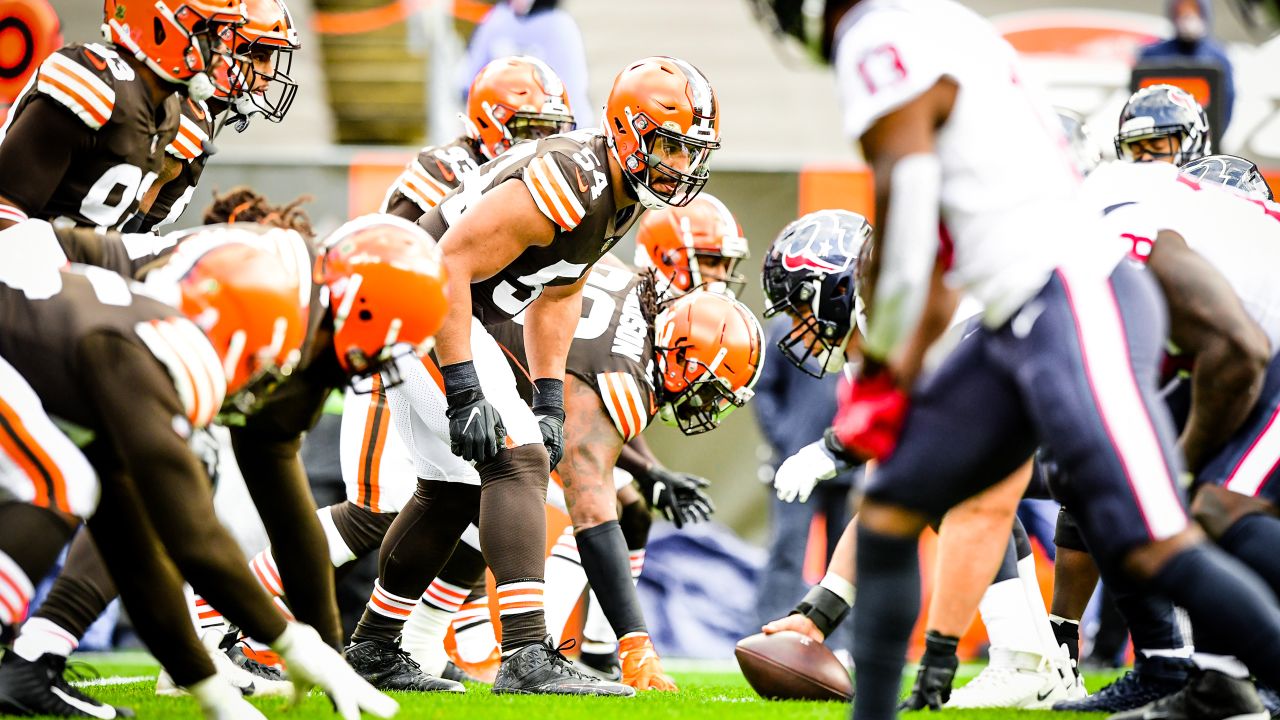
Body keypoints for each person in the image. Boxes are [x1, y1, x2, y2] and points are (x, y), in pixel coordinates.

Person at [755, 5, 1280, 720]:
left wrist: (881, 374)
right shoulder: (945, 25)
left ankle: (1210, 679)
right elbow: (937, 244)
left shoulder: (876, 35)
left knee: (1161, 541)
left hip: (1072, 290)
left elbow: (907, 209)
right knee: (889, 507)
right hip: (1022, 304)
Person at [342, 55, 719, 697]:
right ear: (628, 131)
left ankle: (374, 648)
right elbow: (448, 264)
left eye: (691, 152)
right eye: (668, 147)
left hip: (439, 309)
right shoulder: (574, 175)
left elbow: (560, 292)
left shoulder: (620, 193)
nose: (680, 166)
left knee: (452, 485)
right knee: (514, 460)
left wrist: (547, 396)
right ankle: (524, 657)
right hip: (417, 301)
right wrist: (463, 387)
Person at [0, 234, 397, 720]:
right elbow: (194, 540)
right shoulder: (151, 350)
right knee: (60, 483)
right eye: (263, 365)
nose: (262, 384)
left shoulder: (131, 333)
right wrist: (292, 640)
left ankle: (41, 653)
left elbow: (136, 553)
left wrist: (210, 691)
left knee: (91, 491)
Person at [0, 0, 243, 235]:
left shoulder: (167, 110)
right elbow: (6, 208)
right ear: (160, 28)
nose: (221, 51)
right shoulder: (94, 83)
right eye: (207, 33)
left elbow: (113, 237)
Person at [384, 54, 574, 221]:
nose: (544, 146)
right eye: (531, 131)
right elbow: (397, 246)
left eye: (554, 132)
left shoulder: (550, 182)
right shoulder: (446, 171)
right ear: (487, 121)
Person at [461, 0, 590, 128]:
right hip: (501, 119)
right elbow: (469, 78)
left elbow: (571, 91)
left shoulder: (558, 26)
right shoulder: (497, 20)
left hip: (547, 123)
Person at [1136, 0, 1234, 133]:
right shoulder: (1152, 56)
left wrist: (1213, 136)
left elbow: (1226, 105)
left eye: (1193, 9)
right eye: (1182, 10)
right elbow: (1138, 104)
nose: (1188, 16)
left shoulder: (1219, 58)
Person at [1114, 84, 1211, 166]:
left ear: (1193, 143)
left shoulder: (1212, 188)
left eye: (1157, 147)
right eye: (1137, 150)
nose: (1145, 158)